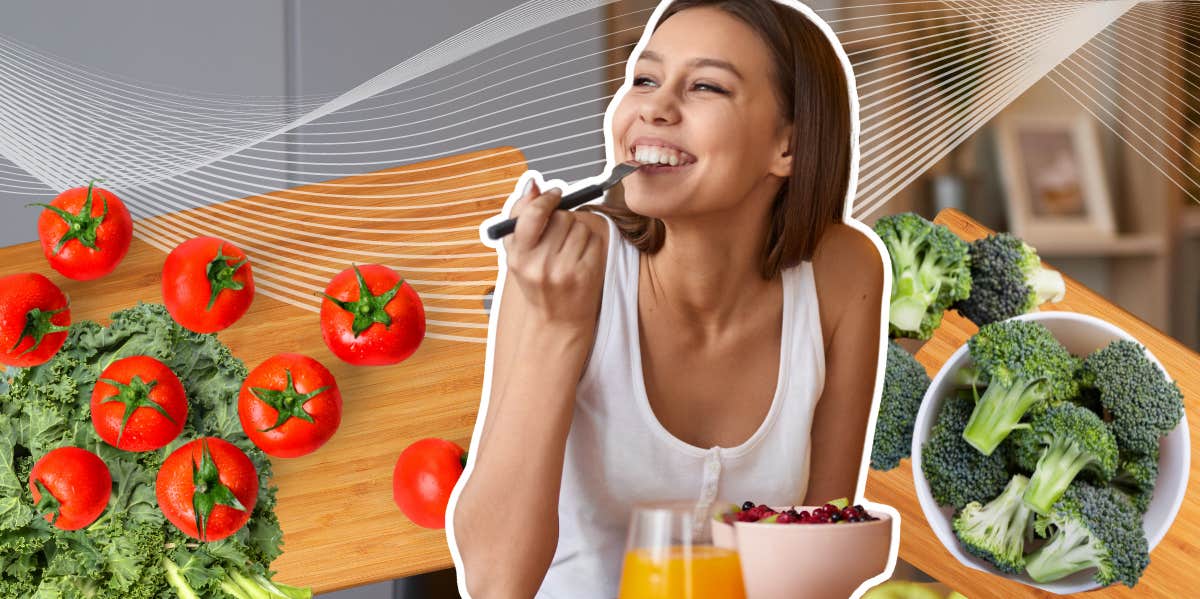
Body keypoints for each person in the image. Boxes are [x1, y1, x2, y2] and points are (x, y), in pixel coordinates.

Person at [450, 0, 885, 597]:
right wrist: (559, 327)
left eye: (705, 86)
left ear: (787, 145)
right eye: (644, 79)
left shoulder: (842, 273)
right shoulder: (571, 268)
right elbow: (495, 583)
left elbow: (821, 553)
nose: (653, 107)